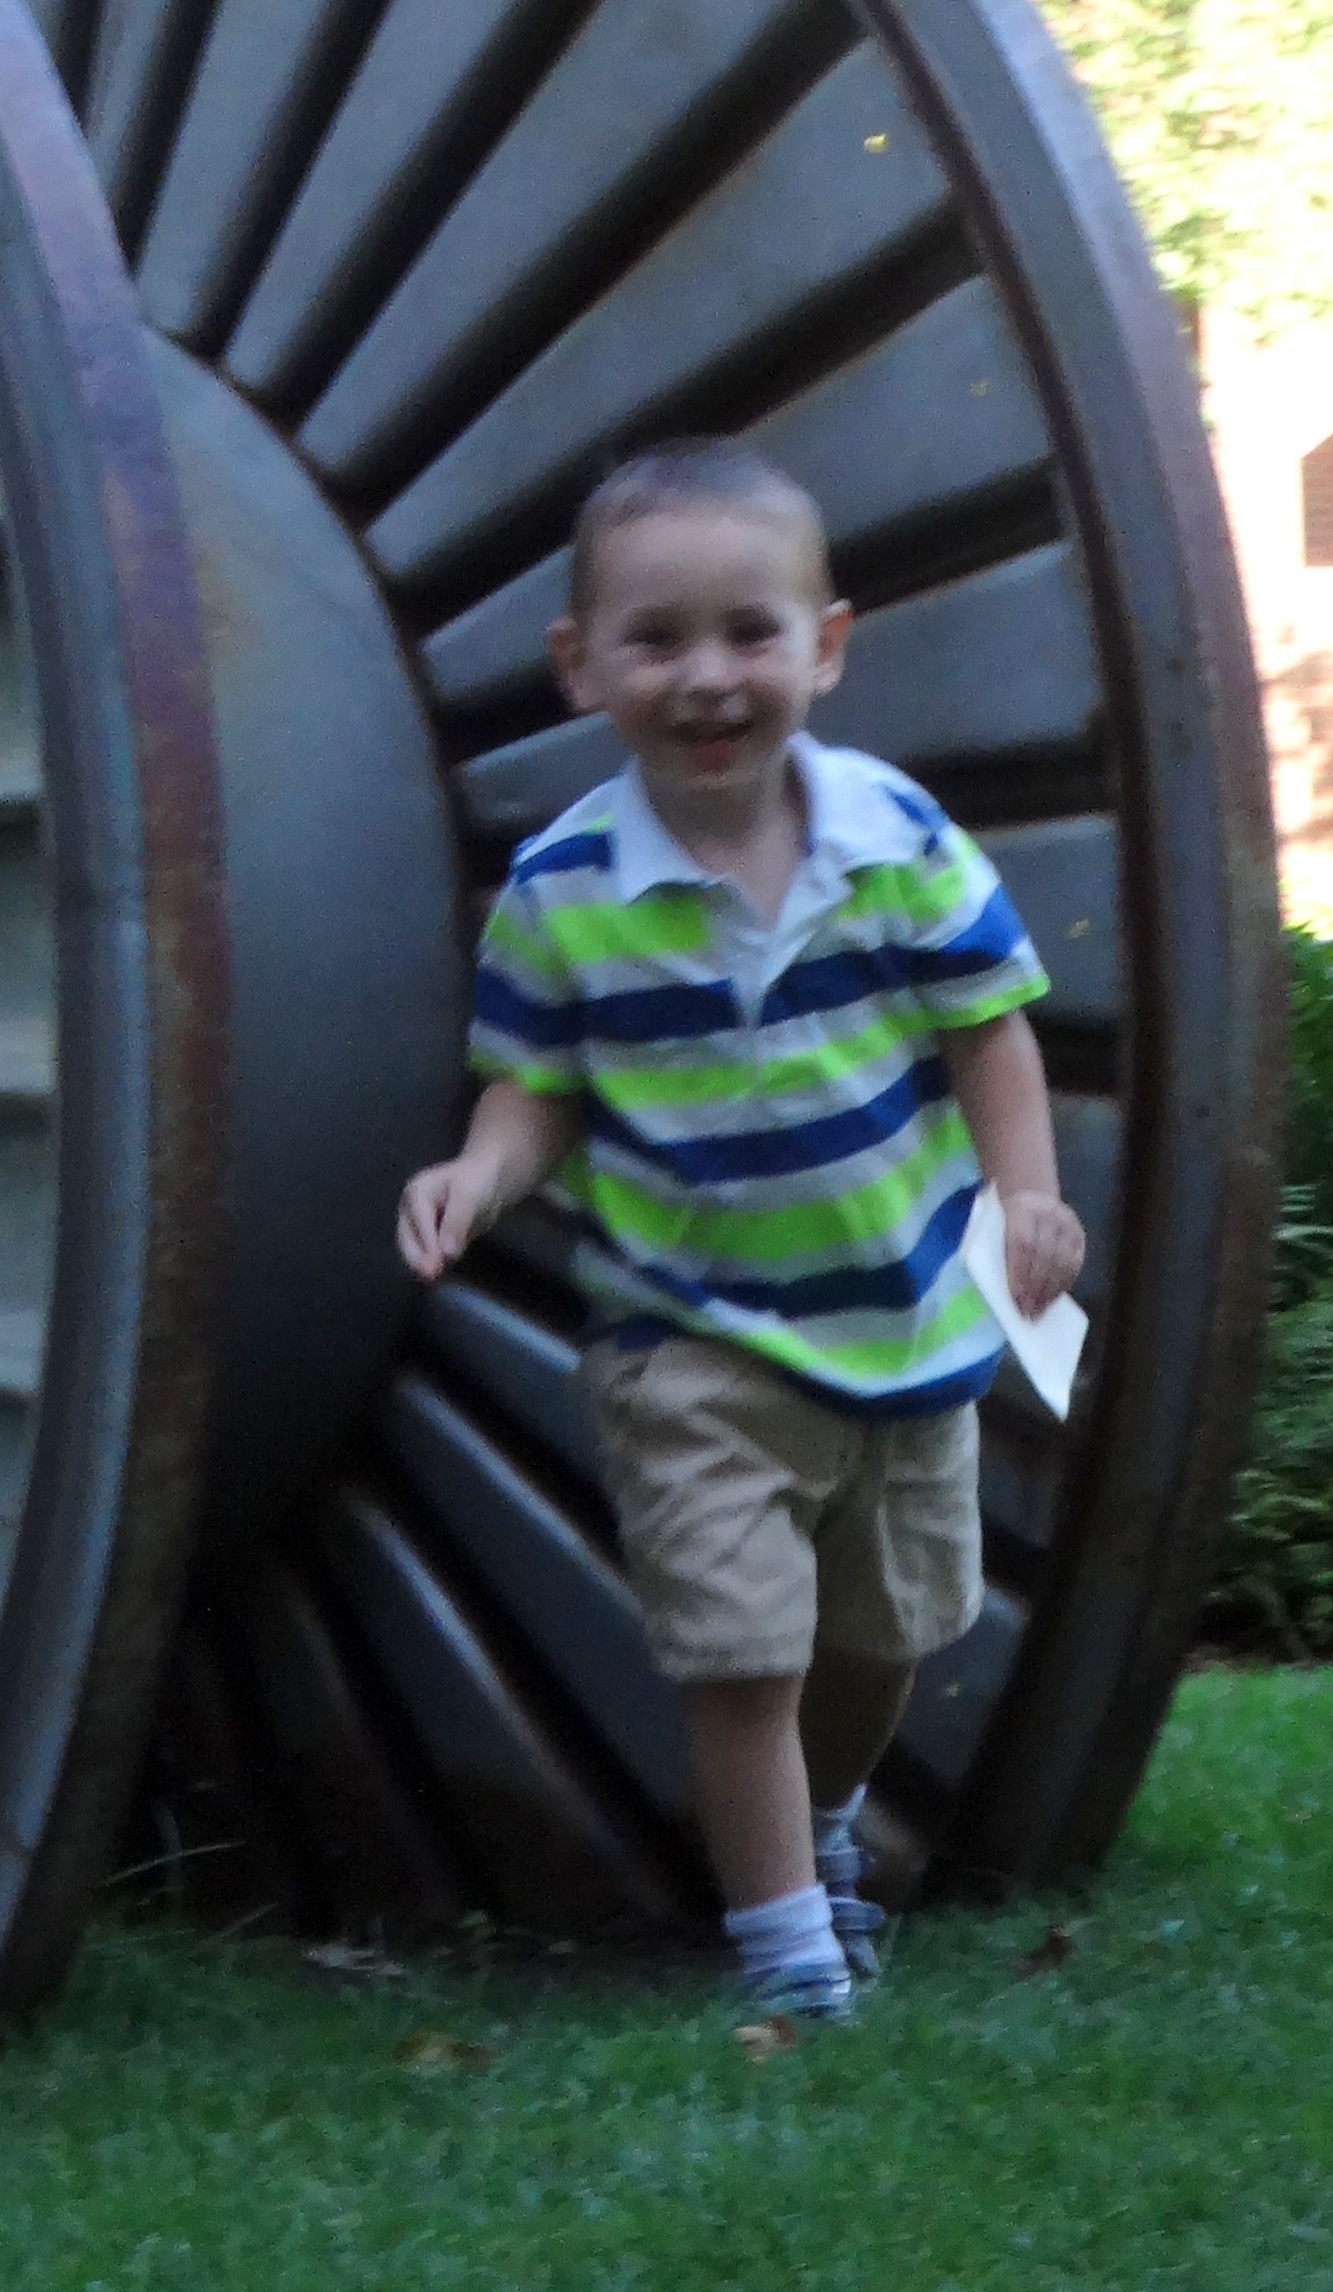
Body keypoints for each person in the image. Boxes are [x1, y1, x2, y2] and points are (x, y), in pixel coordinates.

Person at [396, 436, 1085, 2027]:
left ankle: (822, 1825)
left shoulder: (895, 839)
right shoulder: (563, 888)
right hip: (688, 1341)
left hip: (900, 1328)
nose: (706, 675)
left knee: (880, 1639)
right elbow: (534, 1087)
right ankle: (789, 1957)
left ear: (822, 646)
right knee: (741, 1655)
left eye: (747, 631)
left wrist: (1025, 1191)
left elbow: (986, 1028)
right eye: (654, 638)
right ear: (580, 665)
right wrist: (477, 1176)